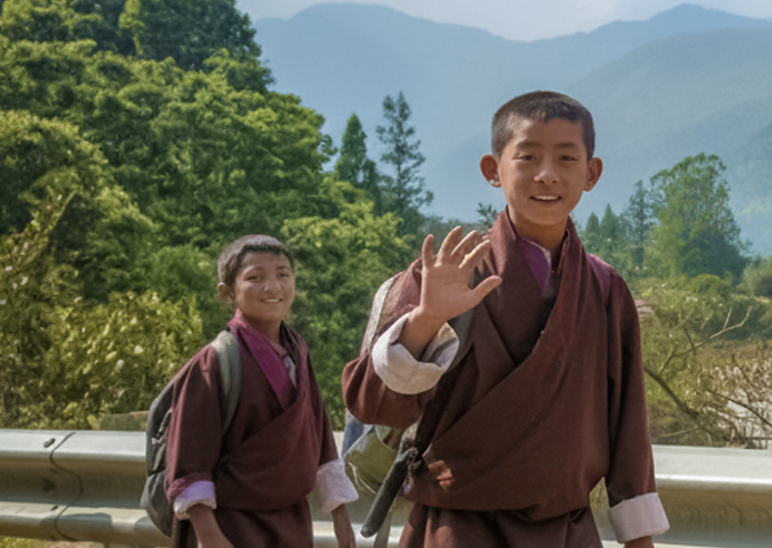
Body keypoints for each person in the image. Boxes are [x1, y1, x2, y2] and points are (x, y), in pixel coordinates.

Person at [341, 91, 666, 547]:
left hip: (567, 531)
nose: (547, 174)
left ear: (591, 173)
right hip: (456, 529)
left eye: (566, 157)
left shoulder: (604, 288)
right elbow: (369, 404)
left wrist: (639, 540)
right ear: (493, 169)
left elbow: (627, 428)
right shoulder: (445, 275)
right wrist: (427, 318)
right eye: (527, 156)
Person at [164, 234, 359, 547]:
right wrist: (209, 535)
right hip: (231, 524)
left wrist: (340, 514)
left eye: (283, 274)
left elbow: (317, 432)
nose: (273, 287)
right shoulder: (216, 361)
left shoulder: (298, 350)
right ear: (227, 292)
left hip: (293, 522)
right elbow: (190, 456)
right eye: (255, 278)